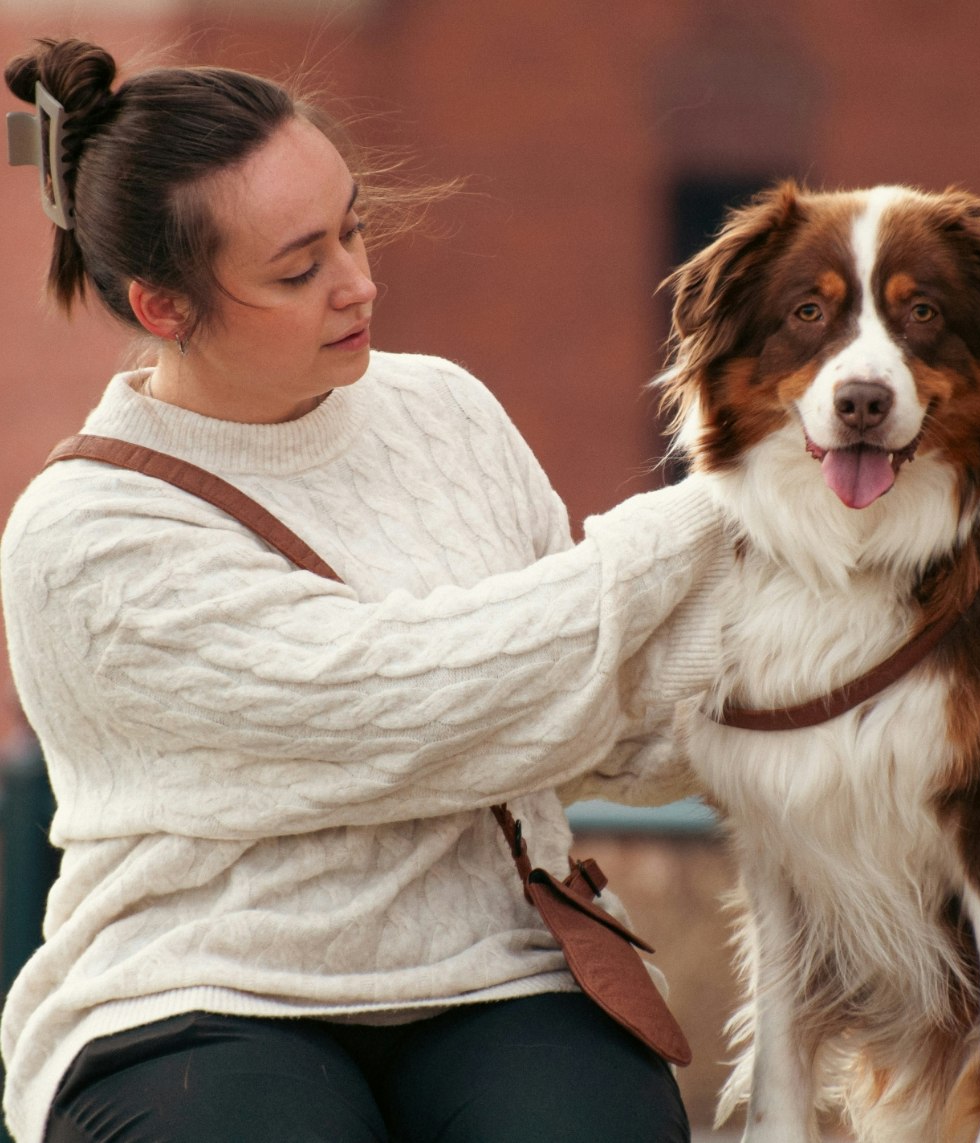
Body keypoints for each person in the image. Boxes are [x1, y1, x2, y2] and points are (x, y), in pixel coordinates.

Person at [0, 38, 729, 1143]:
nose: (359, 283)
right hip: (200, 996)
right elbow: (408, 699)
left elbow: (593, 705)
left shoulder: (445, 410)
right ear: (162, 307)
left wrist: (823, 637)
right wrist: (728, 508)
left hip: (499, 963)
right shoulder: (83, 537)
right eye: (298, 270)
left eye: (353, 227)